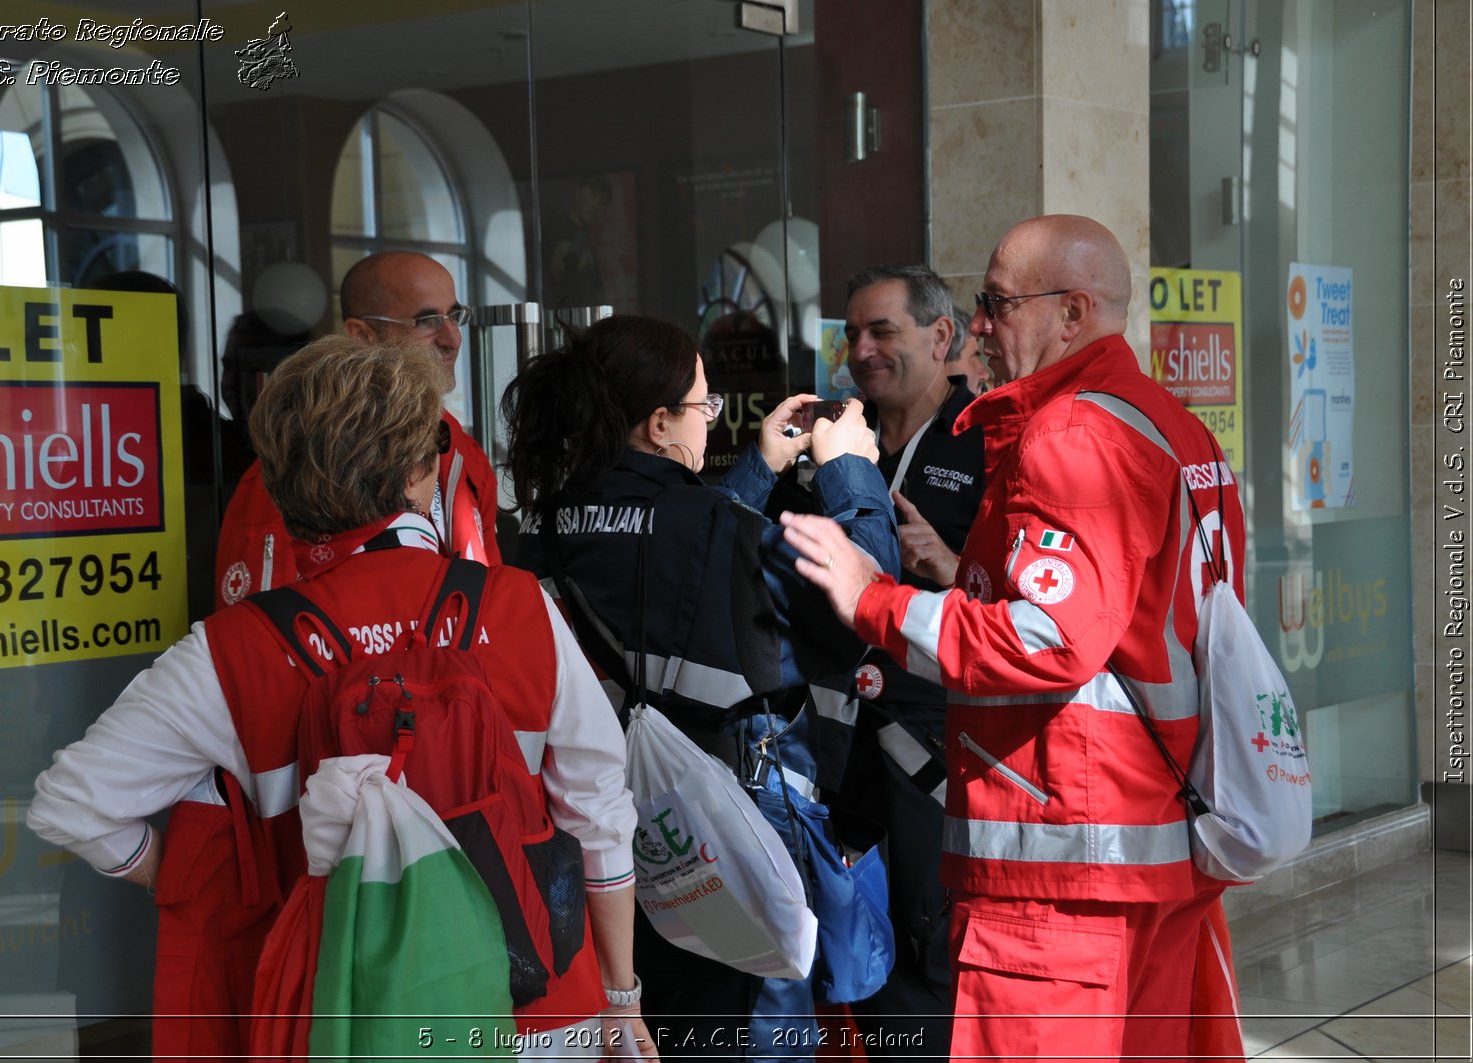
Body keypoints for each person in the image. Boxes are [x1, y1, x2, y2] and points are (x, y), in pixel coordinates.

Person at [29, 337, 654, 1061]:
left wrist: (181, 873)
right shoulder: (522, 609)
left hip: (348, 1019)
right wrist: (620, 997)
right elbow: (599, 814)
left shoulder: (228, 652)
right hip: (541, 1014)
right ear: (422, 474)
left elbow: (70, 802)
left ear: (279, 481)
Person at [780, 215, 1247, 1063]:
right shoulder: (1175, 429)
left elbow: (1048, 641)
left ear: (1071, 313)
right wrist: (965, 580)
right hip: (1149, 851)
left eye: (996, 304)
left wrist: (872, 597)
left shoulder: (1074, 434)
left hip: (1065, 871)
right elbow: (1130, 632)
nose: (981, 327)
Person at [500, 314, 900, 1061]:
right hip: (726, 830)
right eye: (703, 406)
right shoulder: (714, 522)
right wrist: (851, 468)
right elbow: (867, 603)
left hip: (601, 834)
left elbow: (679, 542)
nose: (708, 420)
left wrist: (757, 466)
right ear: (659, 423)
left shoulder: (542, 526)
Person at [831, 264, 988, 1056]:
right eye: (851, 334)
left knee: (933, 961)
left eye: (881, 330)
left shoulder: (991, 443)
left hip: (939, 753)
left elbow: (1039, 619)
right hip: (835, 751)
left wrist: (953, 567)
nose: (862, 349)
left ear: (940, 335)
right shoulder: (832, 443)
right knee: (853, 952)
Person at [214, 251, 499, 610]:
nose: (453, 338)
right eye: (427, 320)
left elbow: (494, 605)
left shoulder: (462, 452)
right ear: (362, 336)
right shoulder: (302, 466)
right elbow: (260, 639)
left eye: (455, 316)